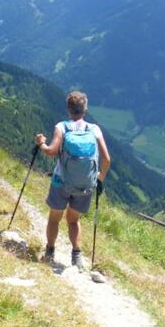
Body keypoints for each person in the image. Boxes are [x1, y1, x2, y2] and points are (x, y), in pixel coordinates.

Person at [34, 91, 111, 269]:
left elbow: (52, 151)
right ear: (85, 109)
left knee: (54, 219)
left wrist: (41, 143)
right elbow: (106, 160)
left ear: (68, 109)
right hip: (85, 185)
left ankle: (50, 252)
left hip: (61, 182)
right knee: (73, 221)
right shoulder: (94, 129)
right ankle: (76, 256)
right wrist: (99, 178)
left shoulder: (62, 127)